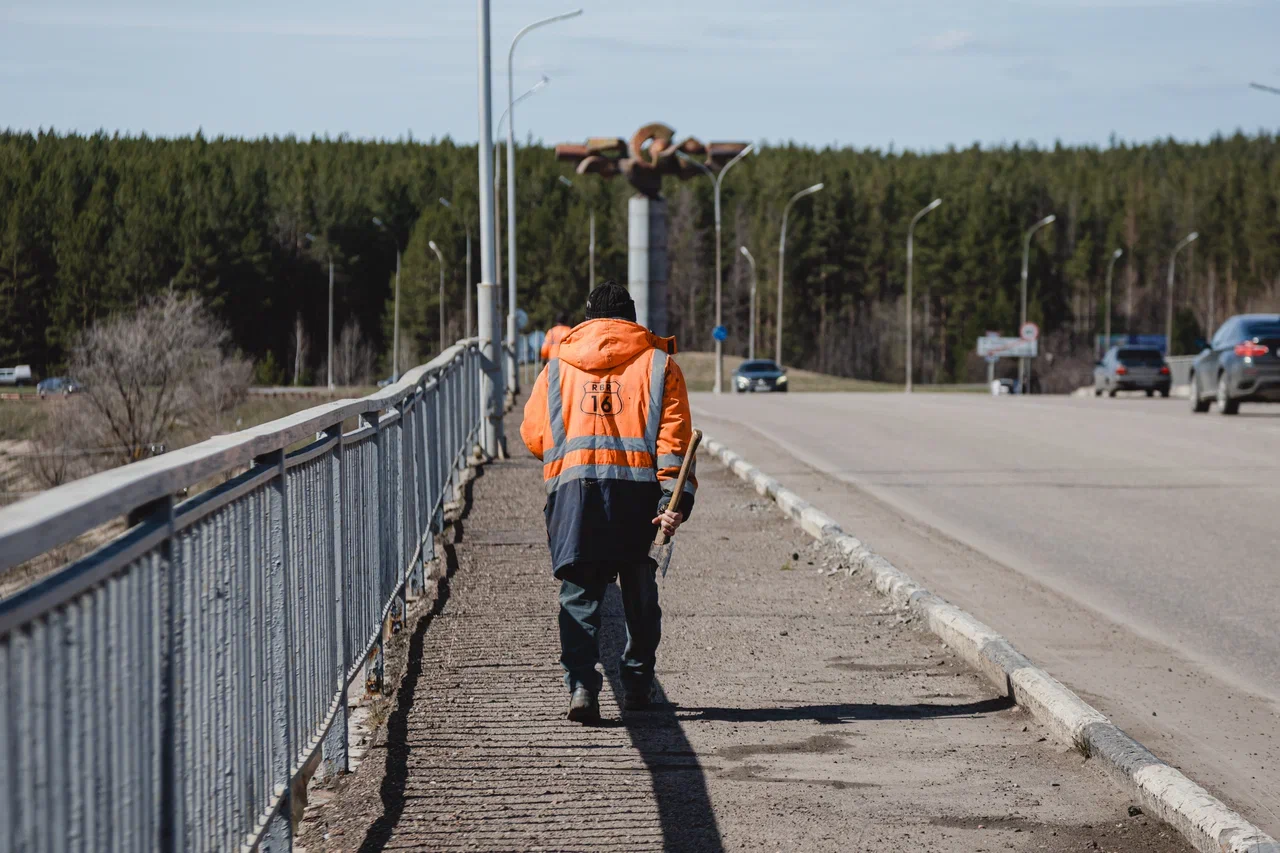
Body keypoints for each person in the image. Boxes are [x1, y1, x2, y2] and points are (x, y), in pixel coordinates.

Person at [520, 281, 697, 723]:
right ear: (632, 318)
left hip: (575, 497)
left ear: (588, 318)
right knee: (639, 595)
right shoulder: (661, 365)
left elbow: (533, 436)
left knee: (579, 596)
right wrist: (673, 497)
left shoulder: (557, 366)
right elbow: (674, 442)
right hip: (638, 500)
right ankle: (637, 683)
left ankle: (582, 686)